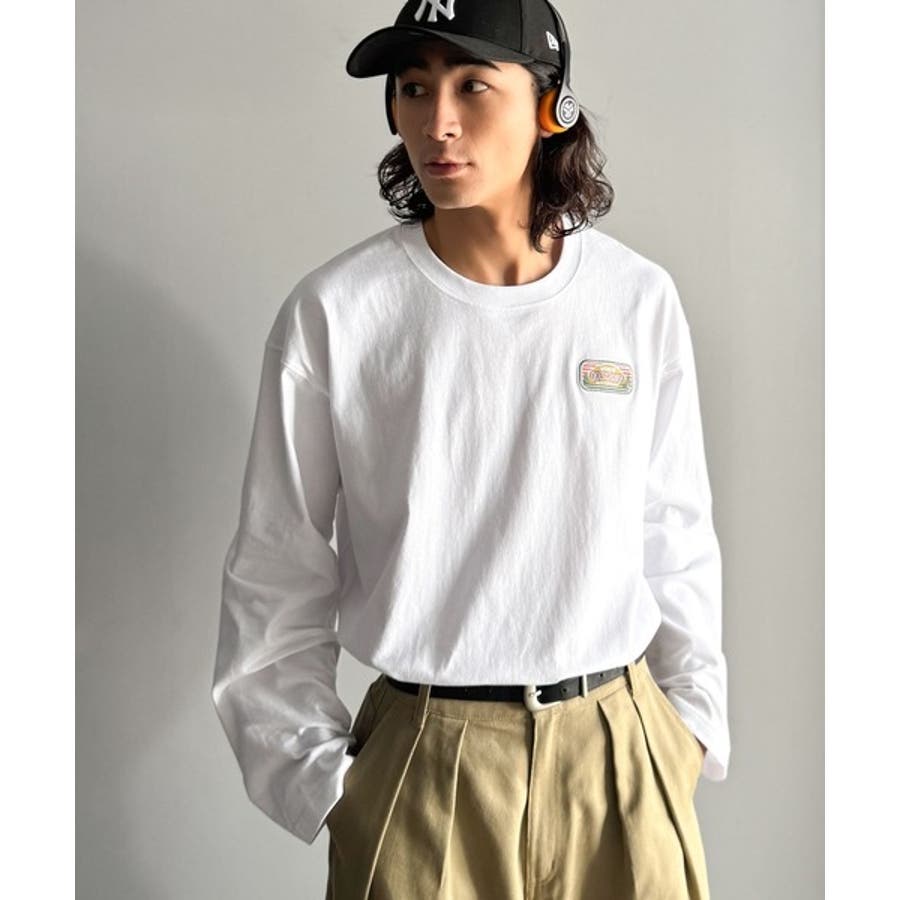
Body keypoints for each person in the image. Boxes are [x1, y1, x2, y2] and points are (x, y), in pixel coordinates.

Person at [211, 1, 731, 897]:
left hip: (621, 757)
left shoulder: (635, 298)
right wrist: (325, 784)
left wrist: (687, 732)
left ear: (551, 105)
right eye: (413, 88)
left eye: (472, 86)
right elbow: (275, 565)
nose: (437, 122)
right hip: (423, 765)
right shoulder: (339, 311)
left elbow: (674, 530)